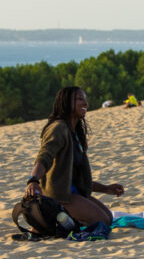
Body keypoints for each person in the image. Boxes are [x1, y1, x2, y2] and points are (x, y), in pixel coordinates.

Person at [24, 86, 124, 226]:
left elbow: (75, 177)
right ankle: (55, 220)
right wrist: (33, 180)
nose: (85, 103)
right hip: (58, 196)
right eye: (79, 99)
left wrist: (106, 189)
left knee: (108, 218)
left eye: (85, 99)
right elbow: (44, 156)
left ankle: (68, 221)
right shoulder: (58, 128)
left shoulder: (74, 133)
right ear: (66, 102)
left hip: (72, 192)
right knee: (102, 220)